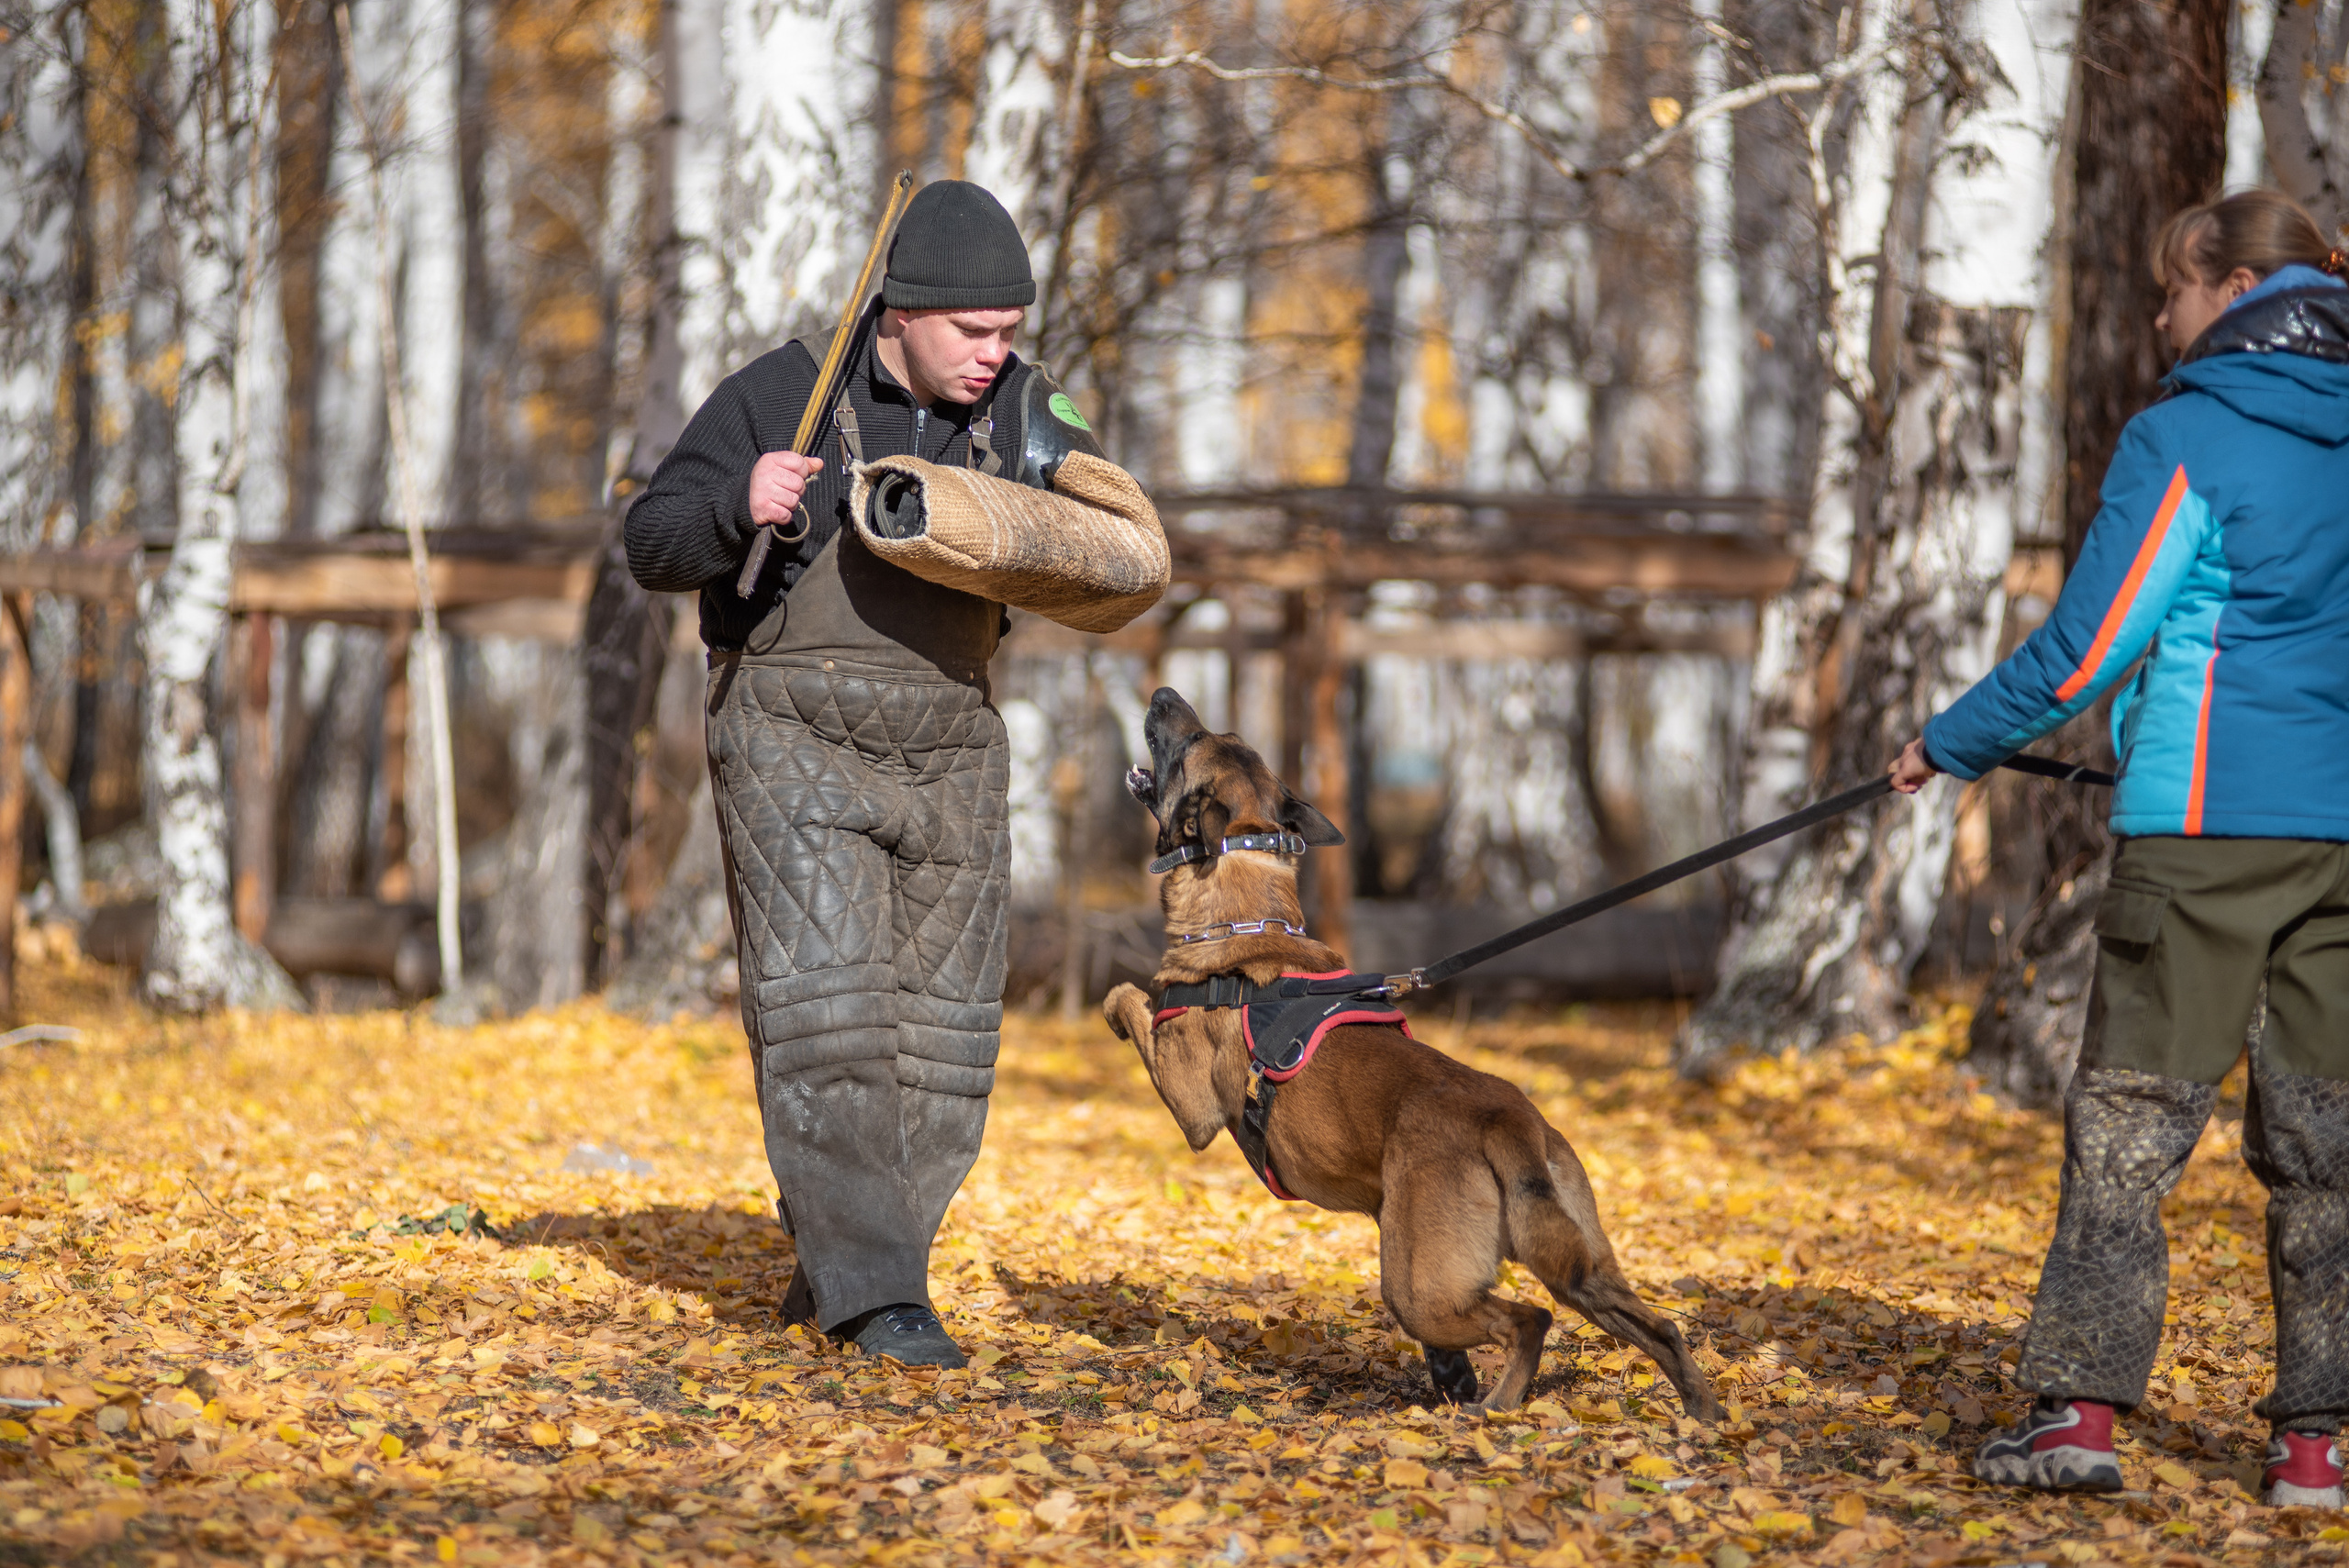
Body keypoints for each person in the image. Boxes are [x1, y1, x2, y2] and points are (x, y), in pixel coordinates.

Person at [1890, 190, 2349, 1507]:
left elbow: (2087, 647)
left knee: (2132, 1129)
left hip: (2205, 831)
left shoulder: (2190, 434)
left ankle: (2078, 1415)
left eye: (2175, 288)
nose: (2160, 314)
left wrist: (1953, 739)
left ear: (2241, 287)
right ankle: (2315, 1449)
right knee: (2330, 1140)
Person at [622, 181, 1121, 1367]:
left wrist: (1080, 529)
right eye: (976, 332)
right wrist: (736, 506)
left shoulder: (1026, 408)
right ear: (898, 310)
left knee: (940, 1039)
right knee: (831, 1018)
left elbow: (1114, 537)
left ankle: (860, 1254)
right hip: (793, 734)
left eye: (1010, 330)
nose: (998, 356)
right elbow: (651, 538)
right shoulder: (778, 391)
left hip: (952, 739)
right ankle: (879, 1292)